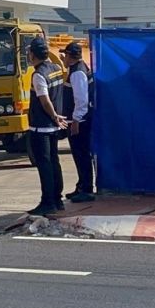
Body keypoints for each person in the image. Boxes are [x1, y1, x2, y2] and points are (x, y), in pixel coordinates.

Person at [25, 37, 67, 216]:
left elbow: (44, 100)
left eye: (29, 52)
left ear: (33, 55)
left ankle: (48, 202)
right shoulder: (56, 68)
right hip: (54, 126)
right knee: (54, 162)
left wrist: (53, 115)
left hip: (42, 126)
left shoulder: (38, 75)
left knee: (44, 165)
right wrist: (56, 118)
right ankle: (57, 200)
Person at [62, 41, 96, 203]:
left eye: (65, 55)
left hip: (79, 121)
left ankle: (86, 188)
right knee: (79, 155)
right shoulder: (78, 69)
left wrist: (76, 120)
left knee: (81, 154)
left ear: (70, 56)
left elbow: (81, 99)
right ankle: (81, 185)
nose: (63, 58)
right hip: (79, 119)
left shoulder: (77, 73)